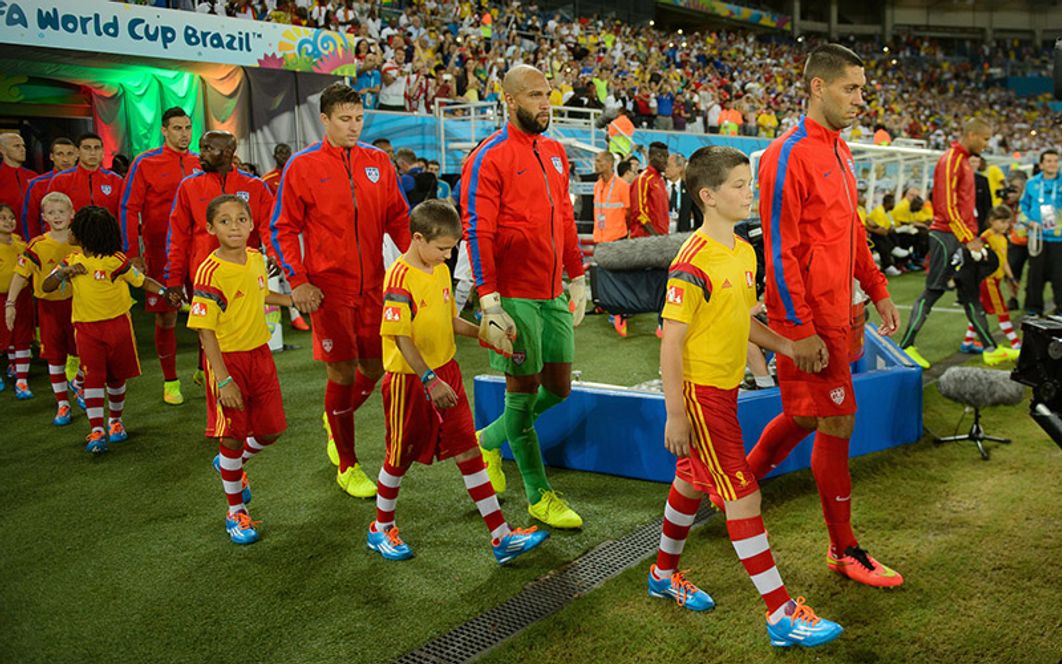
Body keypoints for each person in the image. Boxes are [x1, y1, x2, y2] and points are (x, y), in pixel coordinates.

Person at [649, 145, 843, 649]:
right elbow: (671, 341)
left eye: (749, 183)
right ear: (708, 196)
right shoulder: (690, 262)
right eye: (739, 185)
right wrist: (675, 412)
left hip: (722, 389)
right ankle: (780, 613)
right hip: (700, 395)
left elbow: (739, 321)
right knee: (743, 493)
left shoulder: (741, 250)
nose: (749, 192)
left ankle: (662, 573)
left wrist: (787, 346)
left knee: (692, 480)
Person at [747, 44, 905, 589]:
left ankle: (737, 483)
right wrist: (799, 328)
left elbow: (851, 231)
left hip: (845, 312)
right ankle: (844, 549)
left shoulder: (840, 150)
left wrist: (877, 288)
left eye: (863, 89)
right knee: (835, 419)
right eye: (850, 89)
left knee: (810, 414)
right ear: (818, 87)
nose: (861, 100)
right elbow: (780, 251)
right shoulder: (785, 155)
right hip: (811, 318)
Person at [368, 199, 549, 563]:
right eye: (442, 248)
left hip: (445, 371)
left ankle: (501, 538)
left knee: (468, 449)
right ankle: (381, 528)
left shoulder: (437, 270)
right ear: (418, 238)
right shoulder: (399, 277)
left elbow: (451, 319)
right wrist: (429, 379)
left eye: (452, 248)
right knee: (398, 457)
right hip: (411, 380)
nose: (448, 256)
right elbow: (400, 337)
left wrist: (486, 335)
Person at [270, 81, 411, 499]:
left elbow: (398, 218)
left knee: (375, 367)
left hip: (375, 286)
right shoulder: (302, 166)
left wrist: (414, 264)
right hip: (327, 290)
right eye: (345, 119)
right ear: (325, 119)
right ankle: (348, 464)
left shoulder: (377, 163)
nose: (354, 126)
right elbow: (282, 227)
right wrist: (298, 280)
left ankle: (335, 416)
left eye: (359, 118)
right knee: (342, 371)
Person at [461, 65, 588, 529]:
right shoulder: (488, 157)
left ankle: (488, 440)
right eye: (535, 95)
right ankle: (539, 495)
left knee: (558, 387)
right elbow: (478, 231)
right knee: (523, 393)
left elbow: (566, 221)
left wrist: (578, 275)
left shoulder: (554, 152)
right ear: (510, 100)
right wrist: (489, 301)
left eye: (547, 95)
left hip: (552, 290)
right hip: (512, 295)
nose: (545, 103)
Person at [189, 195, 293, 545]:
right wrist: (223, 379)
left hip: (260, 356)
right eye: (225, 221)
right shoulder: (210, 271)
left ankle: (230, 463)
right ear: (210, 227)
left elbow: (259, 296)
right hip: (228, 360)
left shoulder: (255, 259)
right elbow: (205, 329)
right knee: (232, 435)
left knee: (272, 430)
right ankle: (236, 511)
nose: (234, 226)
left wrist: (293, 300)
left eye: (241, 219)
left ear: (251, 224)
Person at [41, 206, 168, 454]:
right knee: (94, 378)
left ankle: (116, 421)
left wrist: (165, 292)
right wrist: (63, 273)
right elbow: (47, 285)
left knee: (117, 377)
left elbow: (142, 282)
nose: (69, 232)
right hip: (87, 329)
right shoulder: (71, 261)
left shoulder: (116, 261)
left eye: (74, 228)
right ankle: (97, 429)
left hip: (119, 326)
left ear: (85, 235)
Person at [898, 118, 1020, 369]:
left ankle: (990, 348)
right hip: (946, 237)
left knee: (970, 293)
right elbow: (946, 206)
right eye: (985, 139)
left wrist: (968, 238)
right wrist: (969, 240)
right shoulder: (952, 159)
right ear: (972, 135)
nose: (987, 145)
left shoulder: (962, 161)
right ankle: (906, 347)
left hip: (959, 237)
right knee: (933, 291)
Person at [120, 107, 199, 406]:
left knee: (207, 310)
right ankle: (170, 381)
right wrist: (131, 253)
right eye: (177, 128)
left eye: (188, 128)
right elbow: (129, 207)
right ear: (164, 130)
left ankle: (205, 371)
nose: (184, 134)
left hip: (200, 251)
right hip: (161, 253)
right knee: (166, 316)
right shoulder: (145, 162)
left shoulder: (199, 162)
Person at [6, 192, 84, 414]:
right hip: (49, 310)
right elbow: (20, 274)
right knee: (54, 355)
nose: (57, 216)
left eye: (61, 211)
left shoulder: (81, 242)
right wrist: (10, 303)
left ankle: (78, 383)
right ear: (44, 217)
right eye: (51, 212)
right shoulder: (37, 245)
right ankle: (62, 404)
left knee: (83, 351)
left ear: (72, 214)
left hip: (79, 307)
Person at [960, 205, 1021, 353]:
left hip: (996, 280)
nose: (1006, 226)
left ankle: (967, 342)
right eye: (1002, 222)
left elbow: (1004, 260)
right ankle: (1015, 343)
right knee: (1002, 311)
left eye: (1008, 222)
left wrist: (1011, 278)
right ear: (992, 221)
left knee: (981, 311)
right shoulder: (986, 237)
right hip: (988, 281)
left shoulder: (1003, 239)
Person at [1018, 149, 1061, 316]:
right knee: (1035, 276)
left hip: (1059, 239)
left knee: (1060, 276)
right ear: (1041, 164)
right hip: (1037, 237)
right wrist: (1029, 222)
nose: (1052, 164)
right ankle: (1033, 310)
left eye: (1055, 161)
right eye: (1049, 161)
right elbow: (1023, 207)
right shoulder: (1031, 184)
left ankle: (1061, 311)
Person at [47, 134, 123, 218]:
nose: (92, 153)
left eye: (97, 148)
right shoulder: (60, 180)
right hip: (72, 230)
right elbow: (50, 215)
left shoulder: (116, 180)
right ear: (77, 152)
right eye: (87, 148)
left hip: (108, 230)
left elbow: (123, 214)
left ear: (102, 151)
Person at [0, 204, 33, 393]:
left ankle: (22, 380)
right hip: (1, 297)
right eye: (2, 218)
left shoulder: (21, 244)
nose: (8, 221)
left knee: (21, 336)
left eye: (11, 218)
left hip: (23, 297)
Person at [22, 138, 78, 240]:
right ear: (52, 157)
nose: (65, 159)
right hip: (48, 244)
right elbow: (30, 219)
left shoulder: (85, 182)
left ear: (76, 156)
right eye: (60, 154)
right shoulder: (37, 184)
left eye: (70, 154)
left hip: (80, 244)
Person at [628, 141, 669, 237]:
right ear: (650, 157)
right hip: (644, 240)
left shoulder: (660, 180)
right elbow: (638, 213)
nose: (665, 160)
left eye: (667, 156)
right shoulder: (642, 179)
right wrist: (656, 237)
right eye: (661, 156)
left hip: (661, 237)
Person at [0, 133, 38, 233]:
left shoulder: (34, 177)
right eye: (16, 146)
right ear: (2, 149)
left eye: (23, 146)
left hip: (33, 237)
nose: (22, 149)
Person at [664, 152, 702, 234]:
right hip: (661, 233)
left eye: (669, 166)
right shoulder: (659, 185)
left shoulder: (689, 188)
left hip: (681, 234)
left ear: (679, 168)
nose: (665, 169)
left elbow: (698, 215)